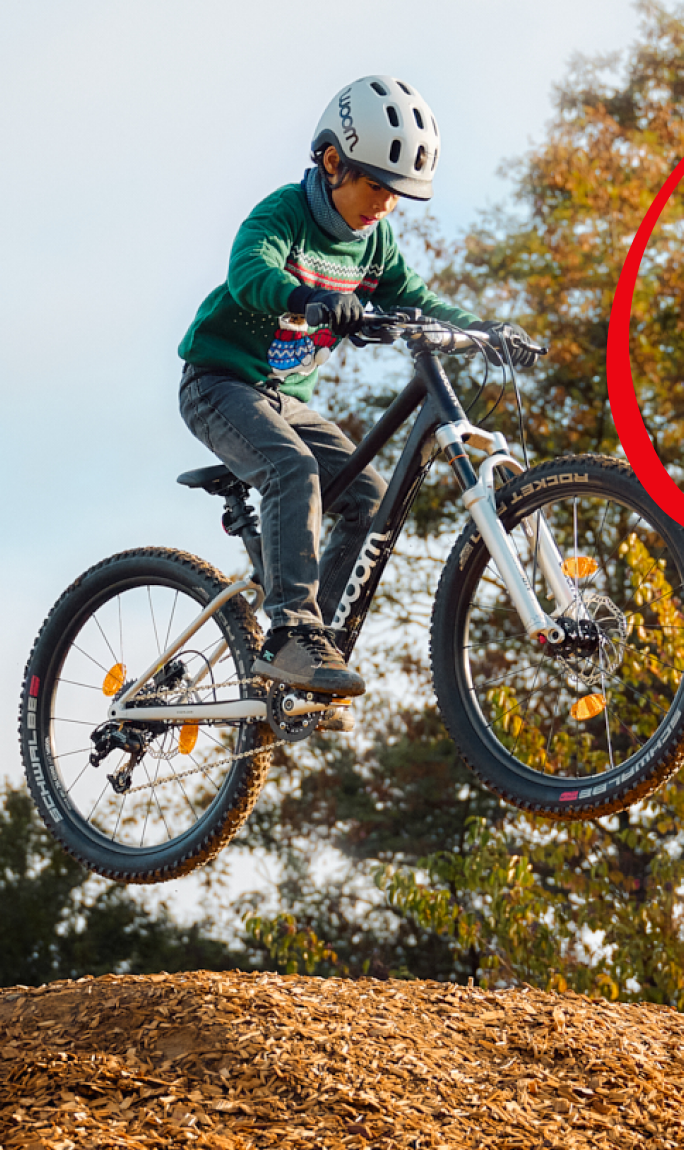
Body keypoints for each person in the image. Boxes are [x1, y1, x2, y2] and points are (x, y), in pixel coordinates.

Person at [178, 74, 539, 727]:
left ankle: (319, 656)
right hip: (220, 381)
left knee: (366, 496)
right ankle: (291, 636)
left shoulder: (375, 242)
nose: (385, 203)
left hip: (288, 401)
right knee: (293, 469)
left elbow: (417, 301)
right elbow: (249, 271)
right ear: (332, 161)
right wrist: (307, 298)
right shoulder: (284, 214)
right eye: (375, 184)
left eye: (398, 193)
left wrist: (484, 331)